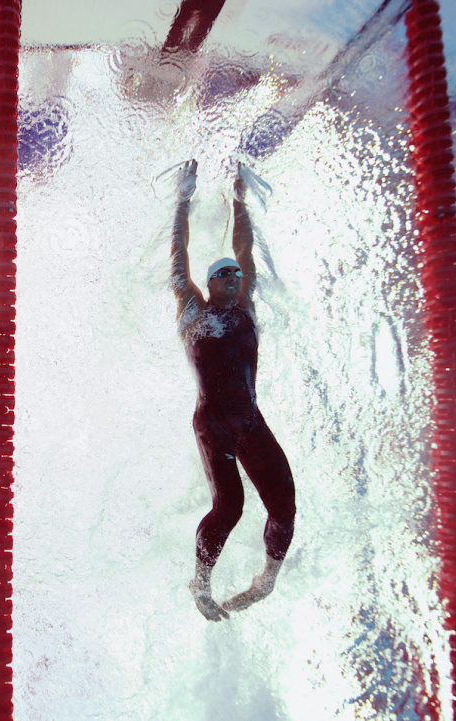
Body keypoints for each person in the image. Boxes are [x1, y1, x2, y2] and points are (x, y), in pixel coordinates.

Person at [169, 159, 295, 621]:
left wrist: (239, 200)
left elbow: (245, 249)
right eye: (224, 274)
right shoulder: (194, 313)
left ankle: (265, 582)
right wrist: (181, 203)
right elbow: (178, 254)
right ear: (209, 283)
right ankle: (200, 583)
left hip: (249, 420)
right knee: (231, 506)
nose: (235, 278)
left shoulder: (245, 306)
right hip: (214, 424)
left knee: (284, 501)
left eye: (236, 276)